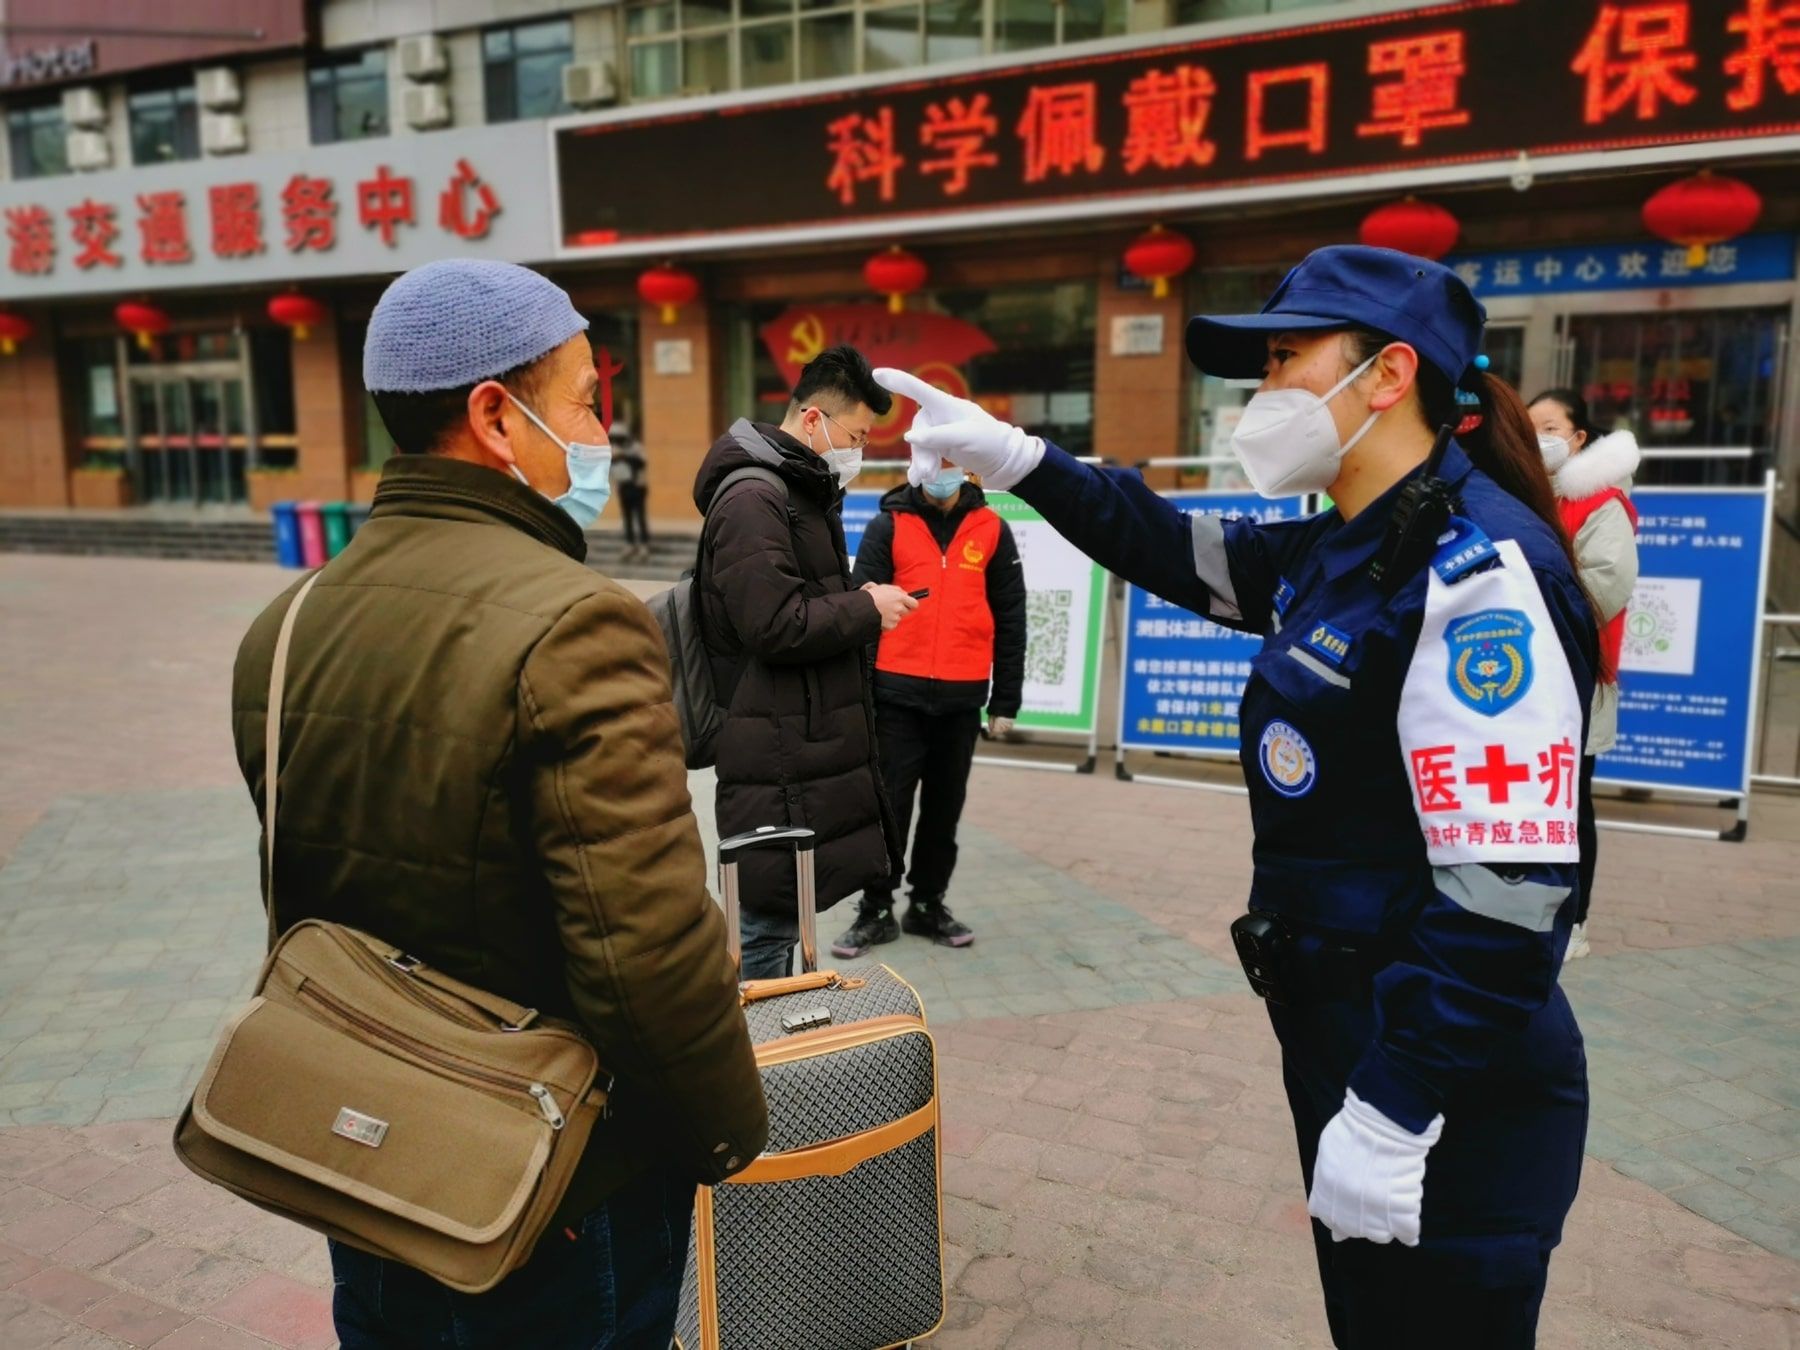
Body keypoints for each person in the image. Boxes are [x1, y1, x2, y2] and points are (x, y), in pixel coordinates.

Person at [879, 246, 1600, 1349]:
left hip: (1448, 1077)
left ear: (1389, 375)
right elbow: (1176, 546)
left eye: (1284, 359)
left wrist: (1403, 1101)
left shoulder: (1473, 570)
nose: (1260, 396)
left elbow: (1510, 889)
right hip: (1349, 1037)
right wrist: (1021, 460)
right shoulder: (1350, 541)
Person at [230, 259, 767, 1350]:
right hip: (555, 1186)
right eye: (581, 400)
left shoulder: (284, 627)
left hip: (365, 1150)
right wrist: (723, 1135)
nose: (597, 430)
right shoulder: (579, 622)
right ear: (493, 415)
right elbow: (648, 951)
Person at [693, 343, 917, 979]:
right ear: (814, 420)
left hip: (794, 739)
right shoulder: (754, 499)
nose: (860, 452)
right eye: (858, 435)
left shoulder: (801, 491)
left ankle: (776, 1063)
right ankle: (754, 1071)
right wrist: (867, 608)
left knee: (787, 924)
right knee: (765, 931)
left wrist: (860, 603)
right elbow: (773, 624)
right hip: (772, 752)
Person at [835, 460, 1028, 955]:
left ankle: (927, 904)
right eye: (933, 462)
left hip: (962, 699)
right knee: (889, 808)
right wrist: (860, 689)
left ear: (965, 469)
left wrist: (1005, 697)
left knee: (944, 811)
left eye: (951, 463)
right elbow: (861, 609)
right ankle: (876, 908)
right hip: (896, 695)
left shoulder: (991, 530)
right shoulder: (889, 525)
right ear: (914, 465)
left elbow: (1011, 617)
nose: (942, 473)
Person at [1529, 389, 1640, 961]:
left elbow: (1607, 582)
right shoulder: (1529, 495)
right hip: (1528, 674)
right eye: (1529, 427)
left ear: (1578, 438)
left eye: (1549, 426)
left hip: (1578, 672)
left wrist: (1533, 607)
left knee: (1571, 799)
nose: (1538, 437)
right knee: (1533, 795)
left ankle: (1576, 920)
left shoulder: (1601, 502)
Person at [610, 420, 652, 562]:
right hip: (623, 486)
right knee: (627, 517)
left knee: (639, 517)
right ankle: (630, 543)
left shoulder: (635, 447)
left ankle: (643, 545)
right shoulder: (614, 449)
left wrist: (624, 456)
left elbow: (642, 463)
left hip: (637, 487)